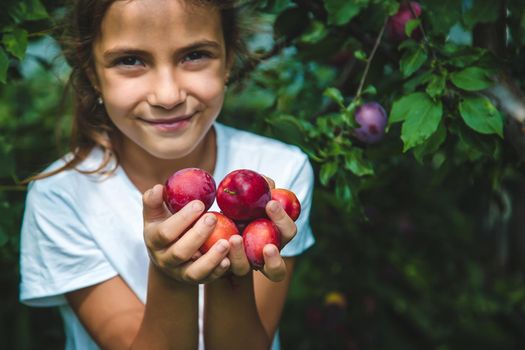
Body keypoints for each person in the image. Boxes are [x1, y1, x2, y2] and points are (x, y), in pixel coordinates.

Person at [19, 0, 315, 349]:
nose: (168, 95)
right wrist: (170, 276)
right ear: (91, 75)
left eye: (194, 55)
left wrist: (233, 258)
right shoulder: (62, 195)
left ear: (229, 59)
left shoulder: (280, 171)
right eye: (130, 60)